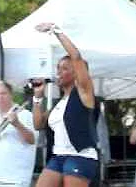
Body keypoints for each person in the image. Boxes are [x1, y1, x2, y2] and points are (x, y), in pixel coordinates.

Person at [32, 22, 99, 187]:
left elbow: (76, 57)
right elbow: (38, 124)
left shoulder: (83, 92)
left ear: (76, 72)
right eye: (58, 69)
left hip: (80, 156)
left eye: (64, 69)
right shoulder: (59, 104)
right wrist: (37, 98)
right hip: (58, 157)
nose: (58, 73)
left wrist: (56, 31)